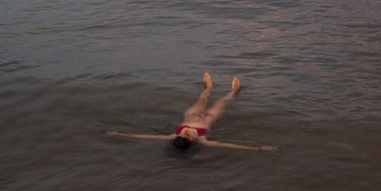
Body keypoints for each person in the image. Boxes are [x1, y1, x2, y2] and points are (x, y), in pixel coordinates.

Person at [107, 73, 277, 151]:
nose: (186, 132)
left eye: (183, 134)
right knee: (221, 101)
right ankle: (233, 91)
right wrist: (260, 148)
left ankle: (209, 86)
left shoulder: (174, 136)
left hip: (192, 115)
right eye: (187, 136)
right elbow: (230, 145)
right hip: (209, 118)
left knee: (202, 99)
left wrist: (119, 133)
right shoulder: (203, 139)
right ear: (193, 141)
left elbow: (145, 136)